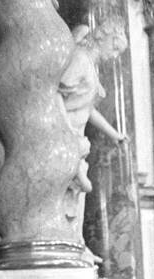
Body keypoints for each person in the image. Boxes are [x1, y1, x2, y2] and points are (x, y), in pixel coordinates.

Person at [59, 20, 128, 194]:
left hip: (76, 139)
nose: (114, 56)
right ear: (102, 38)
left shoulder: (89, 65)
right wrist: (67, 134)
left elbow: (87, 109)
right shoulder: (80, 59)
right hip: (65, 138)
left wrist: (114, 134)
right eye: (114, 48)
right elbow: (56, 94)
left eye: (118, 53)